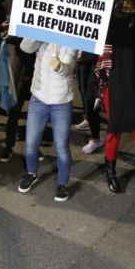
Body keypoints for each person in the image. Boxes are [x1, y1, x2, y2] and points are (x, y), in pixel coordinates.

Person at [97, 0, 135, 193]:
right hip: (115, 89)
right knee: (114, 132)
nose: (127, 11)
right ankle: (110, 173)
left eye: (131, 8)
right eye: (124, 8)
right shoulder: (109, 31)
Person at [17, 39, 78, 202]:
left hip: (62, 103)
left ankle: (63, 184)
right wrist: (36, 34)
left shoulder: (73, 40)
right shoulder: (42, 36)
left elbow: (70, 67)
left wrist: (60, 67)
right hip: (39, 99)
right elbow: (25, 47)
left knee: (62, 147)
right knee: (31, 144)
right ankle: (31, 173)